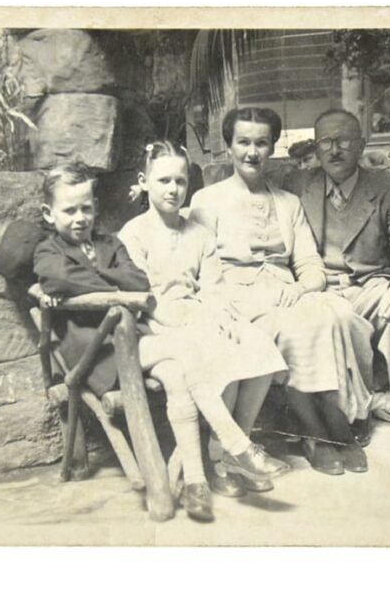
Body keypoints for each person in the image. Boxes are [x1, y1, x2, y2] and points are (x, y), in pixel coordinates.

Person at [32, 163, 286, 522]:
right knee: (183, 350)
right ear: (49, 213)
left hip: (132, 343)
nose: (79, 217)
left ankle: (197, 483)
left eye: (85, 208)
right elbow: (58, 278)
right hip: (93, 353)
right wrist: (113, 284)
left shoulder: (109, 243)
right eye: (69, 210)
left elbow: (138, 281)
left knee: (178, 373)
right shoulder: (49, 250)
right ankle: (237, 445)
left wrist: (94, 279)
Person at [190, 107, 376, 476]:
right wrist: (223, 303)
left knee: (336, 313)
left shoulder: (288, 203)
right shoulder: (206, 202)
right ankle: (320, 433)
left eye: (261, 143)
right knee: (299, 327)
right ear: (229, 147)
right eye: (243, 142)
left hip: (283, 290)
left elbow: (310, 265)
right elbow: (199, 269)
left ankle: (331, 423)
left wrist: (300, 286)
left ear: (273, 147)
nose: (252, 152)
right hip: (233, 295)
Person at [119, 141, 291, 510]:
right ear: (144, 181)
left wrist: (218, 314)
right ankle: (217, 460)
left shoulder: (198, 233)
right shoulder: (133, 234)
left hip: (197, 314)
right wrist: (180, 318)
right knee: (218, 352)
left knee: (256, 343)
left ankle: (235, 451)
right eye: (163, 180)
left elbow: (214, 287)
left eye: (180, 181)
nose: (173, 189)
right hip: (156, 325)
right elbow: (139, 293)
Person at [286, 109, 390, 461]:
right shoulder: (297, 186)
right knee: (328, 316)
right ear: (316, 146)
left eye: (343, 141)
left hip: (372, 286)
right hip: (319, 290)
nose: (334, 149)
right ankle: (350, 413)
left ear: (361, 146)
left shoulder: (388, 191)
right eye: (325, 141)